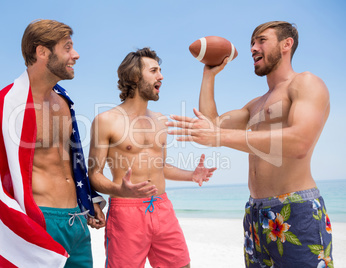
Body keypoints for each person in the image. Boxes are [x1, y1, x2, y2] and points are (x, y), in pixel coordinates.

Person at [166, 21, 333, 267]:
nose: (253, 48)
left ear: (287, 44)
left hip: (295, 209)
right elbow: (212, 125)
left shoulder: (306, 83)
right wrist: (208, 75)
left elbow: (300, 141)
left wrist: (218, 137)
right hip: (255, 213)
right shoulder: (255, 104)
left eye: (261, 40)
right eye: (252, 43)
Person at [0, 19, 105, 268]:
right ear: (42, 51)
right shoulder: (4, 106)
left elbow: (71, 161)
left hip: (77, 222)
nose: (76, 55)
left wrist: (89, 199)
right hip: (41, 222)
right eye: (67, 47)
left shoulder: (64, 102)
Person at [88, 47, 216, 268]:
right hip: (126, 213)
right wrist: (119, 190)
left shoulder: (159, 120)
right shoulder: (106, 120)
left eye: (160, 70)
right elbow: (94, 174)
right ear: (135, 77)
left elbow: (161, 167)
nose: (161, 76)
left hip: (162, 207)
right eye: (154, 71)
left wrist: (191, 175)